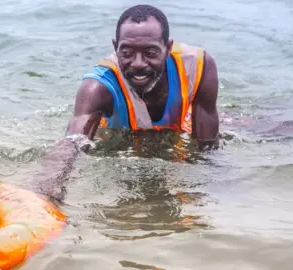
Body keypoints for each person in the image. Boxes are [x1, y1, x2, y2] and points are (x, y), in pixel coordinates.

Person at [31, 4, 220, 202]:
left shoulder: (198, 66)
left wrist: (209, 187)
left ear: (168, 49)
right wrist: (46, 194)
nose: (138, 63)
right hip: (120, 133)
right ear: (115, 47)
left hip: (177, 126)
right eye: (127, 52)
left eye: (150, 53)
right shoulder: (98, 87)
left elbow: (206, 147)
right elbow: (71, 144)